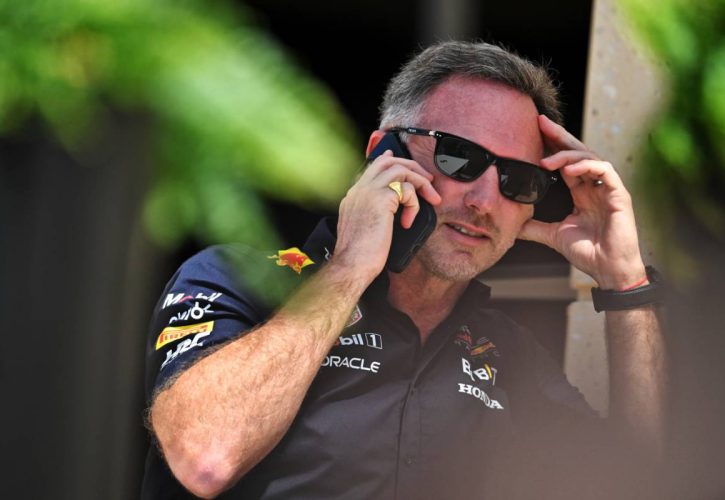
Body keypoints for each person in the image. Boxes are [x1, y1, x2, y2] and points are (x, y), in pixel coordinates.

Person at [141, 41, 666, 499]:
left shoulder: (509, 354)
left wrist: (626, 283)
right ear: (383, 154)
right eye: (459, 157)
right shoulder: (237, 277)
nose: (485, 200)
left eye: (518, 179)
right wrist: (349, 268)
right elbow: (205, 459)